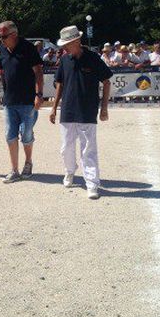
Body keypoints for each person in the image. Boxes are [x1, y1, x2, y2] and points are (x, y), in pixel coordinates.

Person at [49, 26, 112, 200]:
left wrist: (104, 108)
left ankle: (92, 184)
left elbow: (106, 82)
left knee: (88, 150)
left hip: (87, 111)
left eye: (67, 44)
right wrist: (54, 108)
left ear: (77, 41)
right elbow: (59, 84)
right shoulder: (64, 60)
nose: (64, 48)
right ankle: (70, 172)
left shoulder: (93, 58)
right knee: (66, 148)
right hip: (67, 110)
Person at [0, 21, 44, 183]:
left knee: (26, 134)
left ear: (14, 34)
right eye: (0, 36)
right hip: (9, 101)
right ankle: (14, 170)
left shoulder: (28, 48)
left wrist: (39, 94)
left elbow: (38, 71)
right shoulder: (2, 50)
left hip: (27, 101)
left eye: (4, 36)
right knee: (10, 136)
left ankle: (28, 162)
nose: (1, 40)